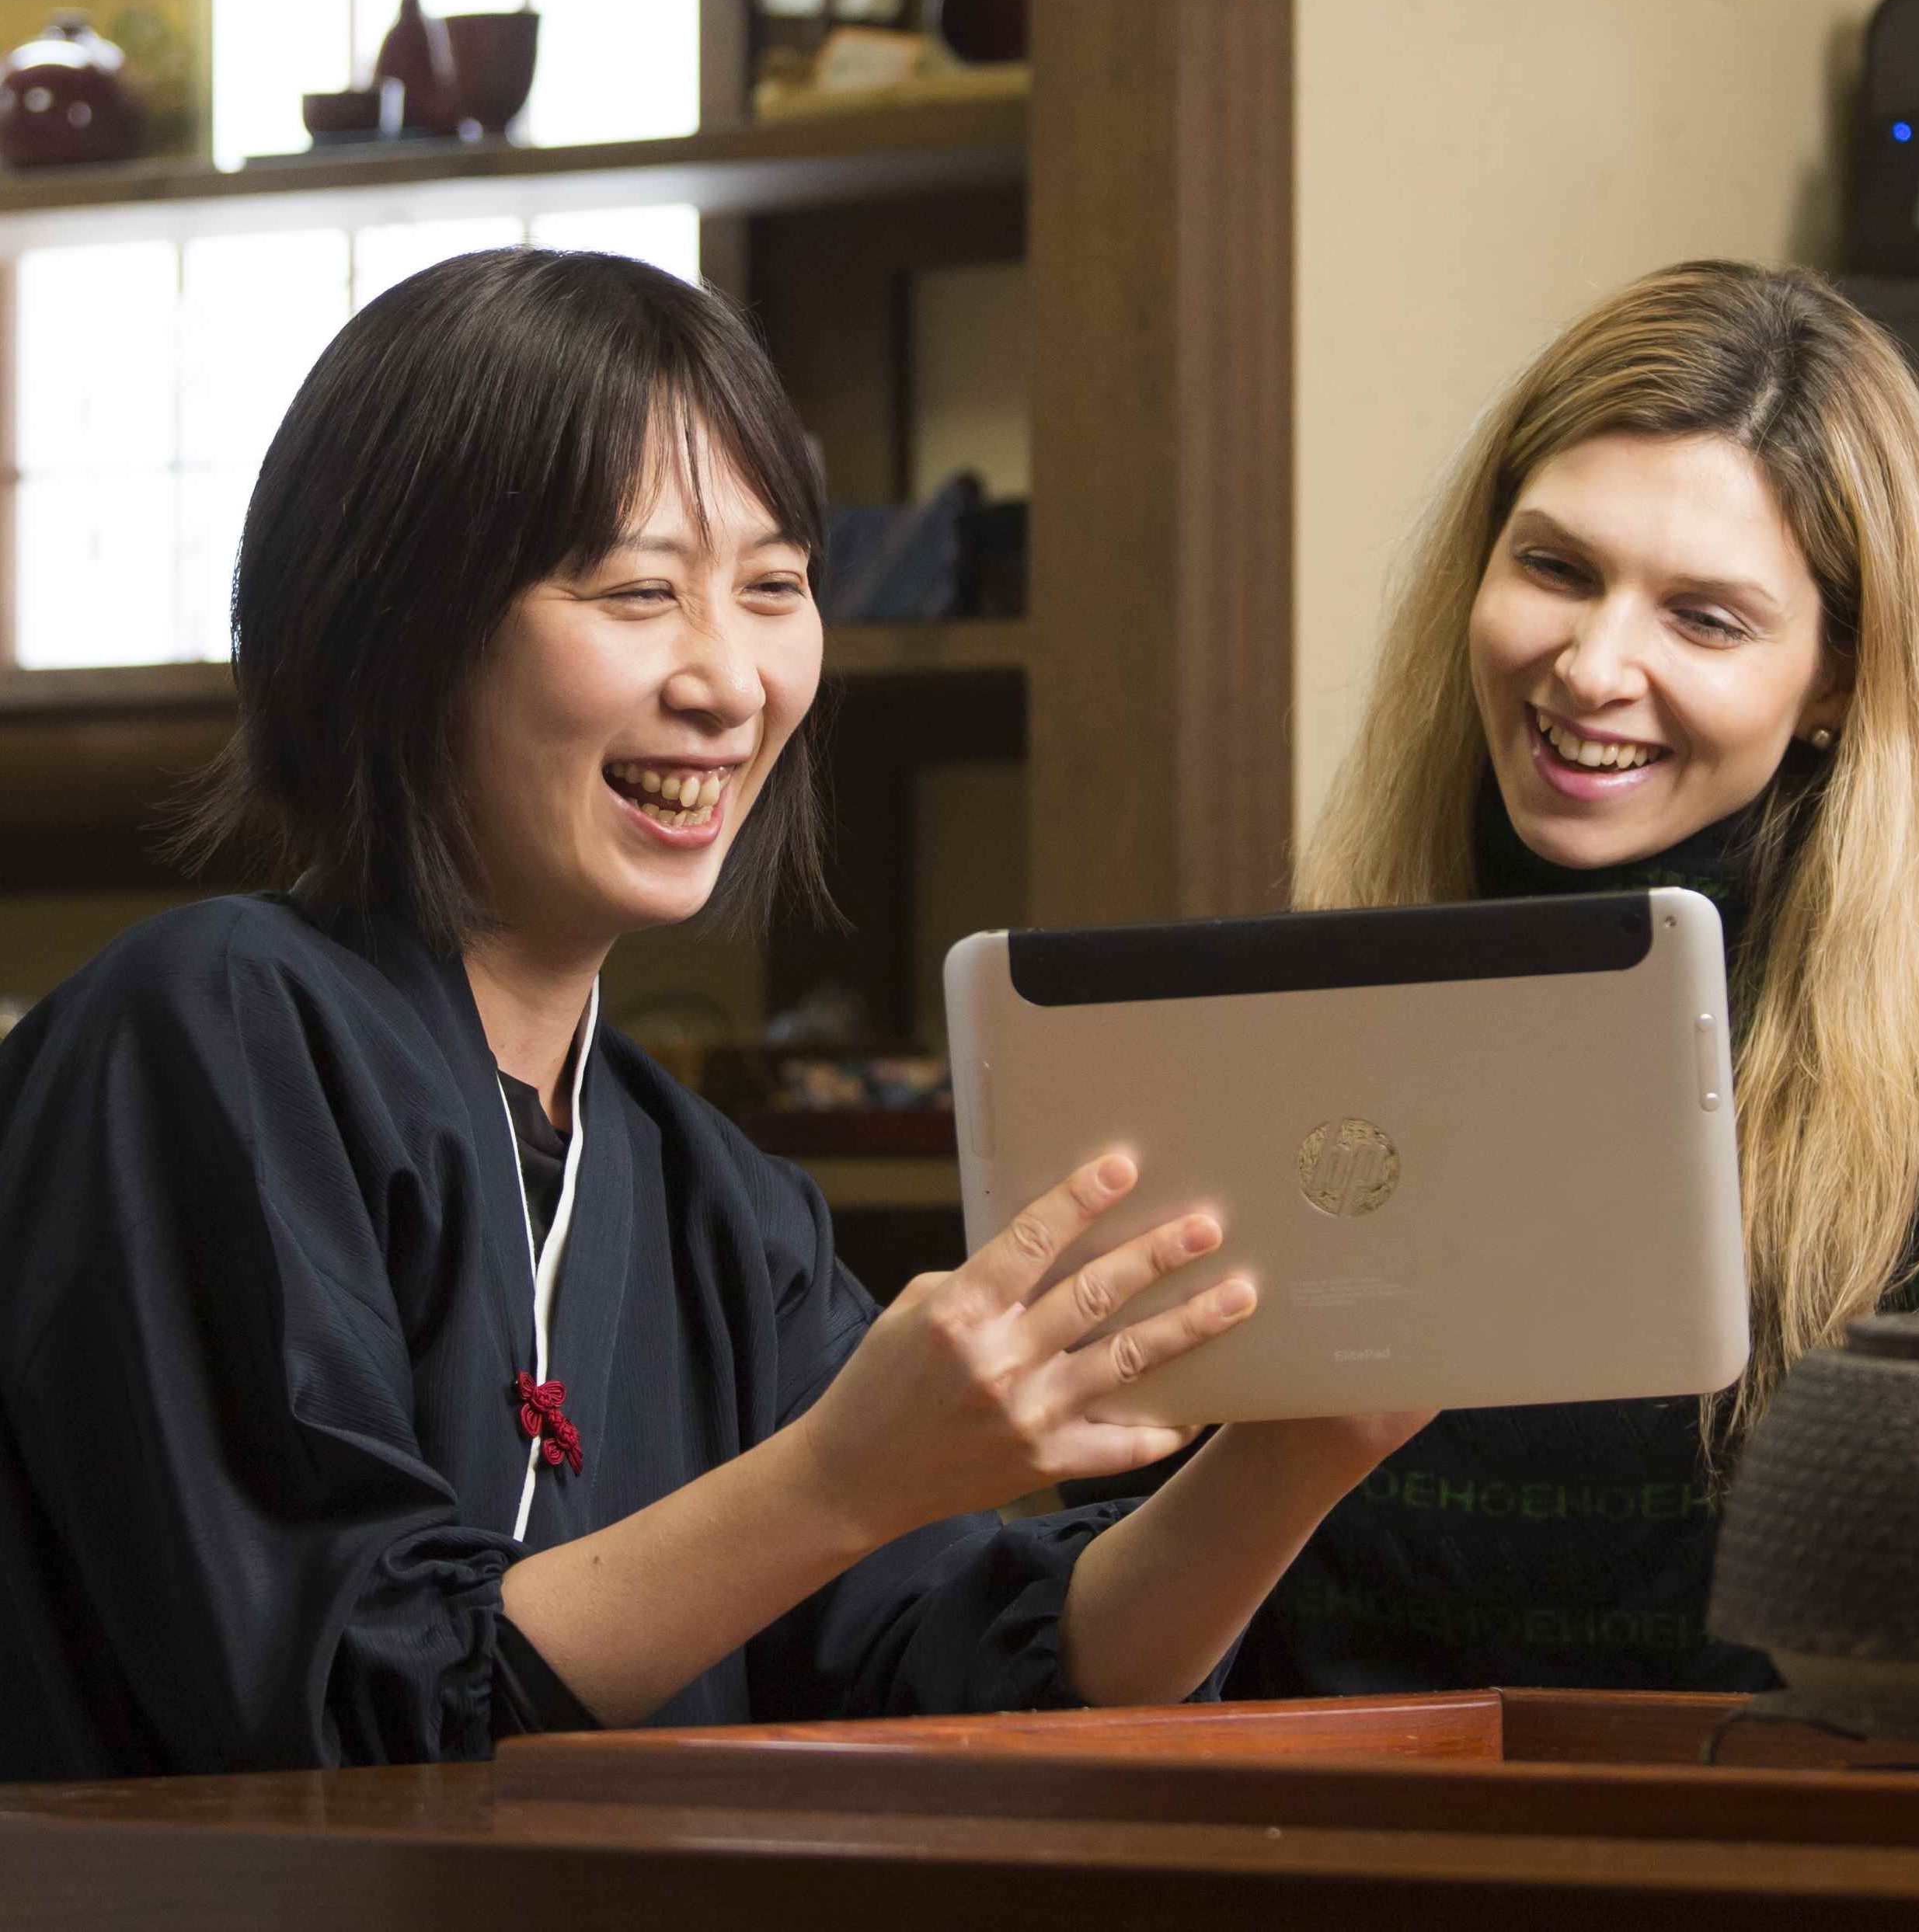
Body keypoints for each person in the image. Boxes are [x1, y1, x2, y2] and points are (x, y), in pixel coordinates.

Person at [0, 249, 1422, 1780]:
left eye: (774, 588)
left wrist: (1303, 1452)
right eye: (635, 592)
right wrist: (833, 1479)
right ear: (390, 623)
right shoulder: (207, 1029)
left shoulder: (719, 1202)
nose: (732, 682)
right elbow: (344, 1712)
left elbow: (970, 1675)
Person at [1214, 259, 1919, 1696]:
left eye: (1704, 618)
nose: (1589, 663)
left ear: (1834, 682)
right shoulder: (1291, 1021)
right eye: (1556, 567)